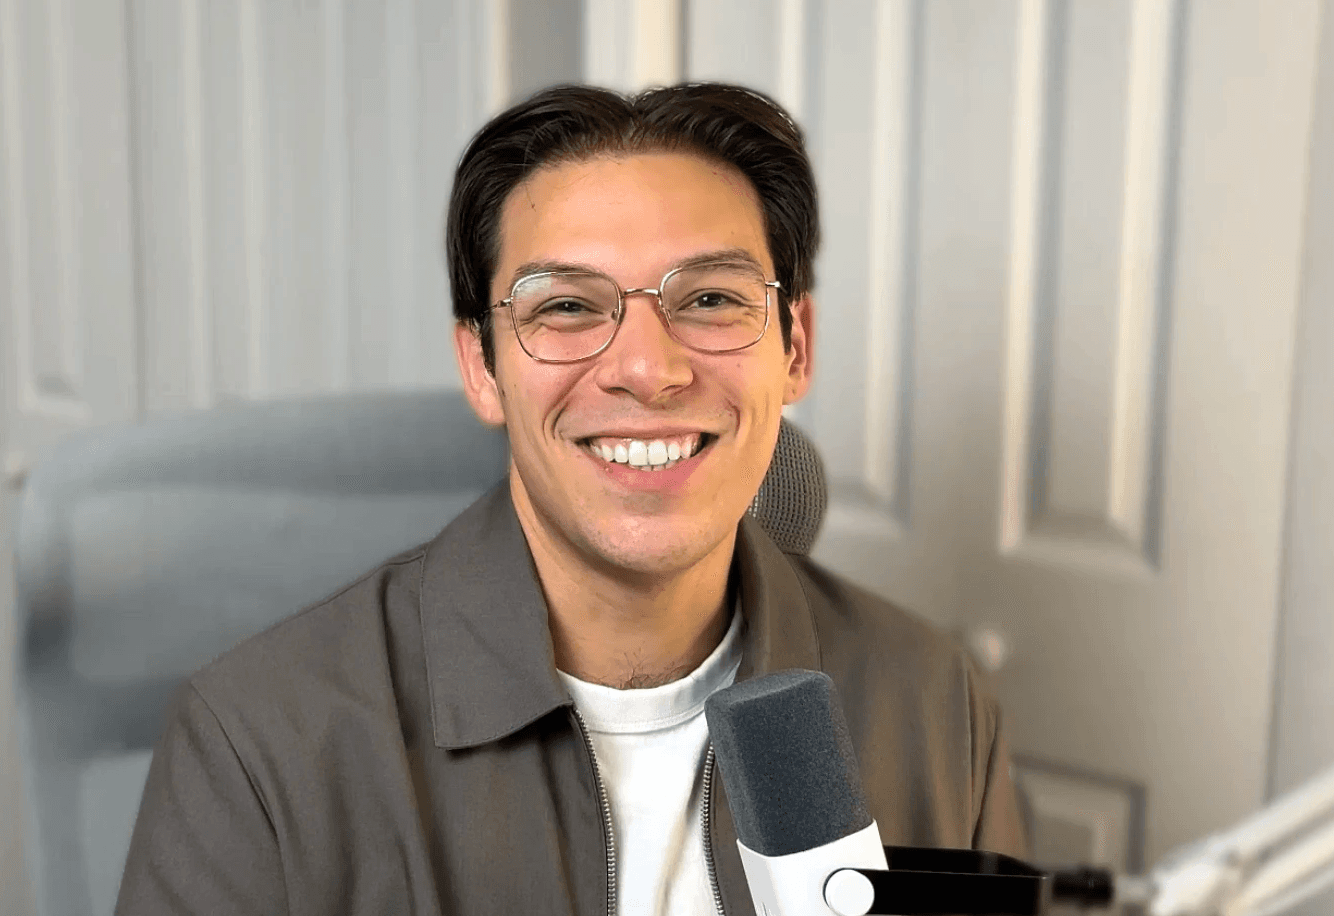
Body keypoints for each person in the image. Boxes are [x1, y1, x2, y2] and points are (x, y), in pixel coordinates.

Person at [116, 82, 1026, 916]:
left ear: (795, 348)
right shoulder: (259, 743)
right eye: (566, 308)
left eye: (711, 298)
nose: (648, 369)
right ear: (482, 365)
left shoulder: (932, 700)